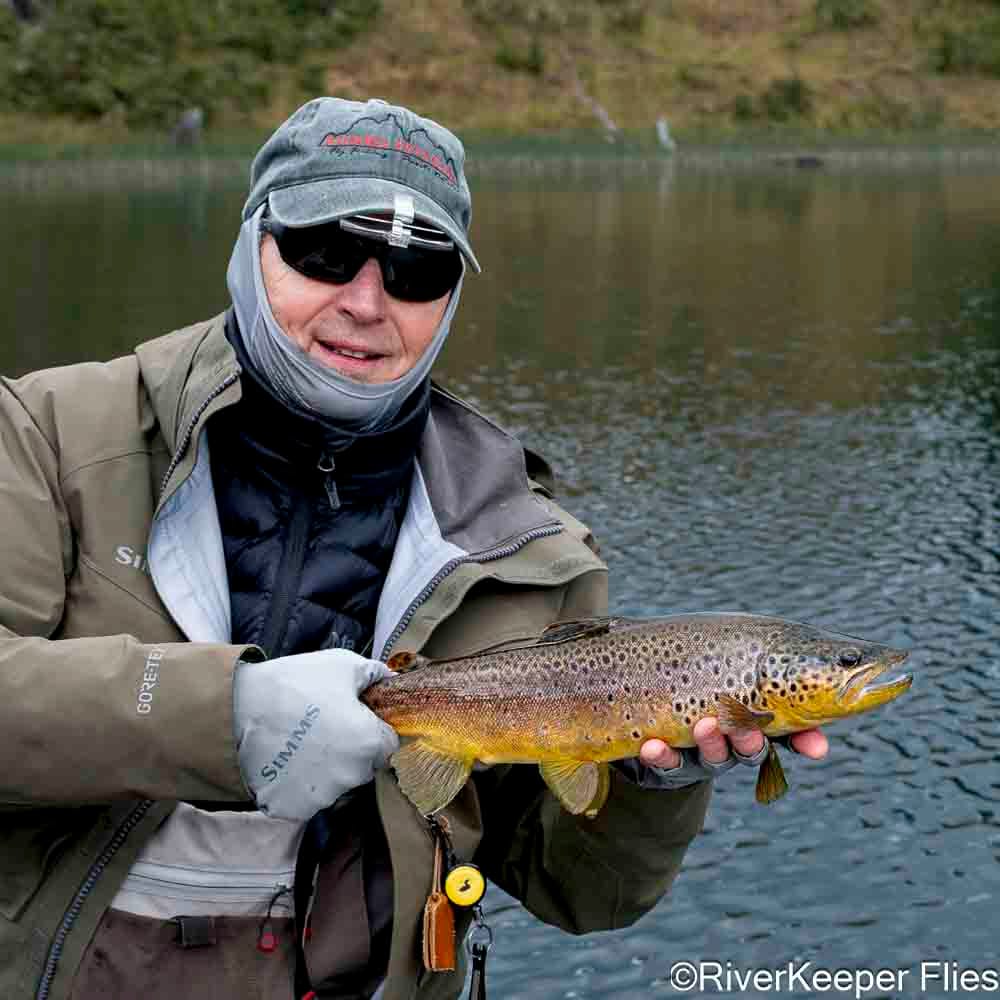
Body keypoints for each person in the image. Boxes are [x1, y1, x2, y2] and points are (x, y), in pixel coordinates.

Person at [0, 97, 828, 1000]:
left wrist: (651, 784)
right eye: (323, 250)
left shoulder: (531, 550)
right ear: (252, 245)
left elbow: (585, 895)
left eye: (415, 269)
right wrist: (220, 712)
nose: (365, 300)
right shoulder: (42, 432)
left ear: (450, 298)